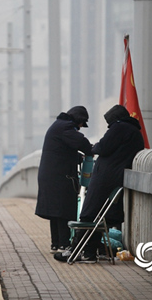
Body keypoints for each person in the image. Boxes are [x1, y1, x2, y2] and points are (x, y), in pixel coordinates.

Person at [54, 104, 145, 263]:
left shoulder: (120, 127)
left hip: (105, 179)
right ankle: (88, 253)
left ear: (115, 119)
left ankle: (75, 251)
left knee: (88, 215)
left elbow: (102, 147)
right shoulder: (135, 132)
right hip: (115, 178)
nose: (109, 127)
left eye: (109, 123)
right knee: (97, 217)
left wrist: (95, 147)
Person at [35, 106, 93, 255]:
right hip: (59, 177)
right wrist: (92, 150)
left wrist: (77, 158)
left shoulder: (58, 126)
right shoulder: (66, 127)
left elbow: (61, 151)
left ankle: (55, 244)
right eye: (81, 124)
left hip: (50, 175)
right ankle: (64, 244)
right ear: (78, 120)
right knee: (64, 210)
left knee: (55, 211)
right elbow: (82, 144)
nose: (80, 129)